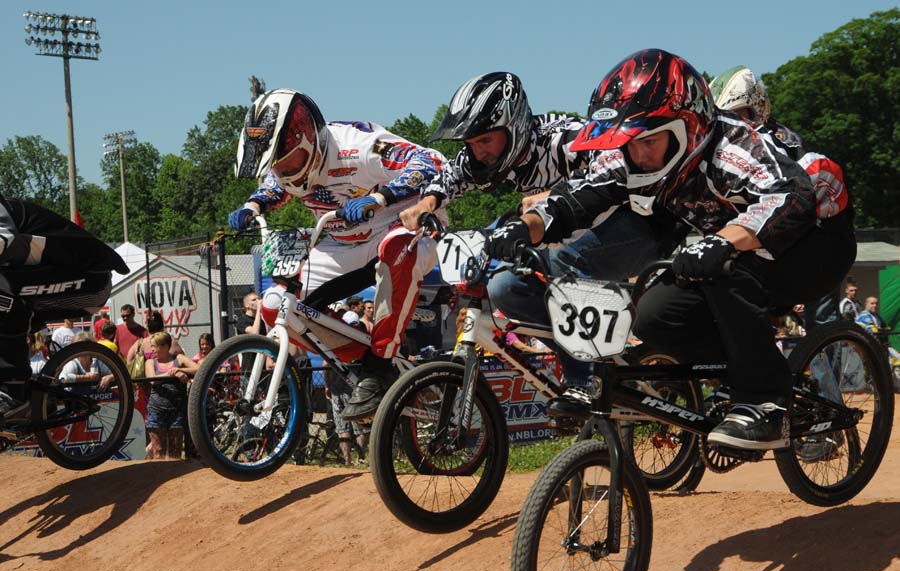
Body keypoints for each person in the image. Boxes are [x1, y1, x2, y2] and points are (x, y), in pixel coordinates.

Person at [483, 49, 855, 451]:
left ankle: (764, 402)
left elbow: (789, 198)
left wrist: (724, 241)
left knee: (725, 269)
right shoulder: (633, 154)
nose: (638, 155)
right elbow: (577, 198)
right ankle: (743, 375)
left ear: (687, 127)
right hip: (743, 251)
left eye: (649, 141)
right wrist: (526, 227)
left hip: (816, 243)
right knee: (653, 316)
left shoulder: (732, 147)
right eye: (630, 143)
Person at [403, 71, 682, 407]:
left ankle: (585, 379)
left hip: (640, 223)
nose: (478, 152)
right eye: (471, 144)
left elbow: (616, 168)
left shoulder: (566, 137)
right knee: (505, 286)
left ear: (515, 127)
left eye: (485, 141)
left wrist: (554, 195)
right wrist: (427, 202)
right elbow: (451, 174)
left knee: (566, 259)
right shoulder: (483, 156)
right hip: (570, 232)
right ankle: (591, 358)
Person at [229, 89, 445, 422]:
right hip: (345, 242)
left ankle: (379, 365)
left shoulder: (357, 145)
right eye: (276, 165)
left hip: (404, 226)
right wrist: (252, 205)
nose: (283, 171)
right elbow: (275, 186)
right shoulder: (286, 163)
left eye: (287, 162)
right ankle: (367, 362)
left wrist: (382, 197)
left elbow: (431, 162)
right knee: (275, 305)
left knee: (396, 247)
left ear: (309, 139)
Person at [710, 65, 851, 331]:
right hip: (773, 243)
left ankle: (831, 357)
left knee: (821, 319)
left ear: (756, 107)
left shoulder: (775, 142)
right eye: (723, 118)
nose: (731, 123)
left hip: (815, 239)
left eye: (737, 115)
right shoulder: (727, 149)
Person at [0, 195, 128, 422]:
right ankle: (34, 398)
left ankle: (15, 393)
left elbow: (4, 240)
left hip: (91, 280)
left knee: (4, 293)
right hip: (49, 282)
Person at [144, 331, 198, 459]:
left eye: (154, 346)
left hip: (177, 411)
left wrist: (180, 370)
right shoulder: (150, 362)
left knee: (175, 451)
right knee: (158, 451)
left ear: (165, 346)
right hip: (156, 410)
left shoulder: (179, 359)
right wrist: (173, 374)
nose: (152, 349)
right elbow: (152, 380)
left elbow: (198, 368)